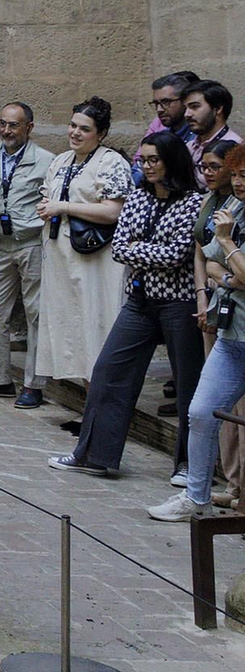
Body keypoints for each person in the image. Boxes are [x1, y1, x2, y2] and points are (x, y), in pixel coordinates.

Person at [50, 129, 204, 480]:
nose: (147, 167)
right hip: (140, 299)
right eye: (142, 160)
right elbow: (119, 247)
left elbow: (176, 254)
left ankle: (188, 465)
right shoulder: (138, 197)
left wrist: (141, 250)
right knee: (109, 372)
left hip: (179, 301)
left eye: (154, 160)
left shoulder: (193, 202)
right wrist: (145, 251)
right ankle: (94, 455)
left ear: (172, 162)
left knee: (188, 384)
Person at [151, 143, 245, 519]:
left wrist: (227, 245)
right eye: (235, 175)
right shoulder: (233, 208)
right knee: (203, 412)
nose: (238, 183)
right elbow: (210, 264)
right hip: (232, 334)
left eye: (244, 177)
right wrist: (231, 274)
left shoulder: (229, 222)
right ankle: (197, 498)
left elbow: (229, 261)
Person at [36, 97, 131, 389]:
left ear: (100, 134)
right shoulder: (61, 161)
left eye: (85, 129)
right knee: (72, 330)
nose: (75, 133)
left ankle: (102, 406)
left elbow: (113, 211)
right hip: (61, 257)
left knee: (96, 324)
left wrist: (63, 207)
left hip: (95, 258)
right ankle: (90, 406)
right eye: (73, 125)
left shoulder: (110, 161)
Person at [0, 101, 52, 404]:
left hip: (31, 242)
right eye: (3, 123)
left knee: (36, 312)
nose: (6, 130)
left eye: (13, 125)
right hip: (1, 245)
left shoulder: (46, 161)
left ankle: (34, 384)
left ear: (29, 127)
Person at [184, 80, 237, 153]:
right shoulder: (189, 147)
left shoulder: (236, 150)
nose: (187, 114)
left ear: (218, 109)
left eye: (195, 106)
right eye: (185, 108)